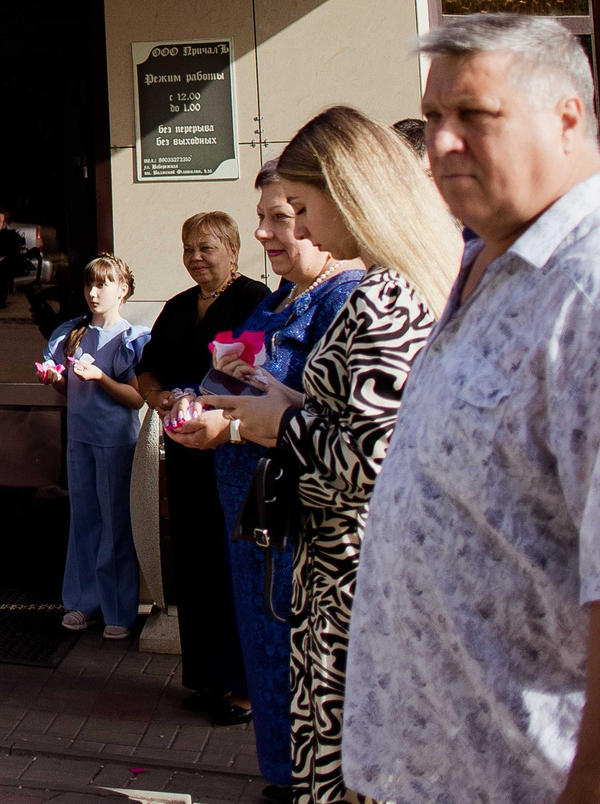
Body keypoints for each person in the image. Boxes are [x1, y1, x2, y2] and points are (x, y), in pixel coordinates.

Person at [345, 15, 600, 804]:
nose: (440, 145)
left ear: (568, 116)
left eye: (475, 116)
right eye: (434, 119)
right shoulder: (497, 264)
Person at [181, 108, 457, 804]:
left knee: (349, 774)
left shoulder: (383, 298)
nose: (294, 228)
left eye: (301, 208)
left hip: (356, 581)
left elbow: (372, 460)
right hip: (334, 577)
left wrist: (277, 421)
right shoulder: (382, 288)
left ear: (353, 194)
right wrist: (276, 401)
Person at [192, 160, 362, 795]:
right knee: (264, 653)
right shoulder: (278, 296)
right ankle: (280, 776)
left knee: (297, 659)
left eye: (279, 217)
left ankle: (297, 783)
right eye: (261, 215)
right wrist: (206, 396)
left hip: (295, 518)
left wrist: (232, 426)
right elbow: (245, 384)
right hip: (250, 512)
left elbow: (340, 420)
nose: (262, 231)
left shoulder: (345, 298)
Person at [133, 211, 267, 727]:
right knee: (195, 560)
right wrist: (159, 396)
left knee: (231, 562)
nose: (195, 258)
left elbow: (254, 373)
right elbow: (148, 367)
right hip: (186, 452)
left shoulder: (254, 300)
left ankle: (244, 687)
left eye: (206, 248)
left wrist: (212, 408)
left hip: (232, 451)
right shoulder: (177, 306)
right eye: (189, 248)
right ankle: (207, 676)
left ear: (233, 250)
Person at [39, 255, 149, 640]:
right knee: (84, 519)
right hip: (81, 438)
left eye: (103, 284)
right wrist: (53, 377)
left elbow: (136, 399)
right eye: (89, 285)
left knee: (116, 522)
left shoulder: (131, 338)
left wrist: (101, 376)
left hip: (116, 442)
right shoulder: (74, 333)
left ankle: (119, 610)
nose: (93, 292)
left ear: (124, 289)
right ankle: (82, 603)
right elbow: (66, 386)